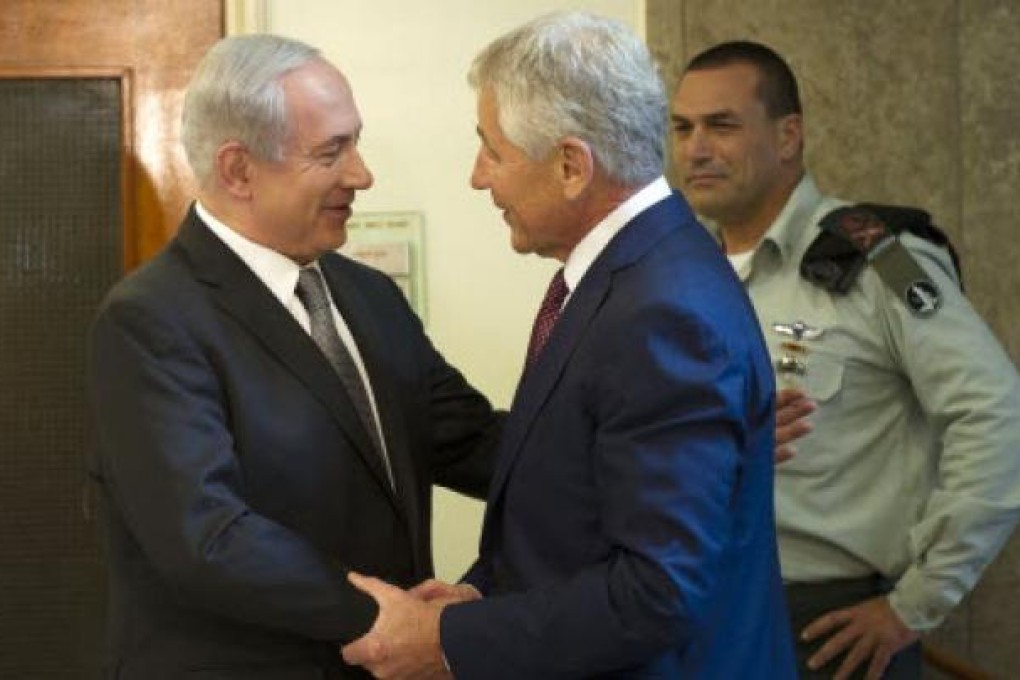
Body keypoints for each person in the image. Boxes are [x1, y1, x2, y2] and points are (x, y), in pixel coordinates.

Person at [340, 12, 796, 678]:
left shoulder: (663, 312)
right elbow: (580, 511)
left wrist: (449, 638)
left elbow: (657, 595)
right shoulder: (635, 273)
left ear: (570, 165)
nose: (478, 177)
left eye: (492, 150)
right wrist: (481, 595)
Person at [86, 34, 501, 679]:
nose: (361, 174)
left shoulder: (370, 296)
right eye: (331, 152)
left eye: (355, 144)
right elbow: (208, 537)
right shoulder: (150, 320)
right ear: (238, 170)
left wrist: (625, 454)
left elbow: (473, 442)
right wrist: (385, 621)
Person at [670, 40, 1020, 679]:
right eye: (682, 127)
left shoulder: (878, 258)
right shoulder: (685, 272)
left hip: (831, 632)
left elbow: (996, 412)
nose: (695, 148)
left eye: (721, 125)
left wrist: (915, 605)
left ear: (788, 136)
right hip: (703, 612)